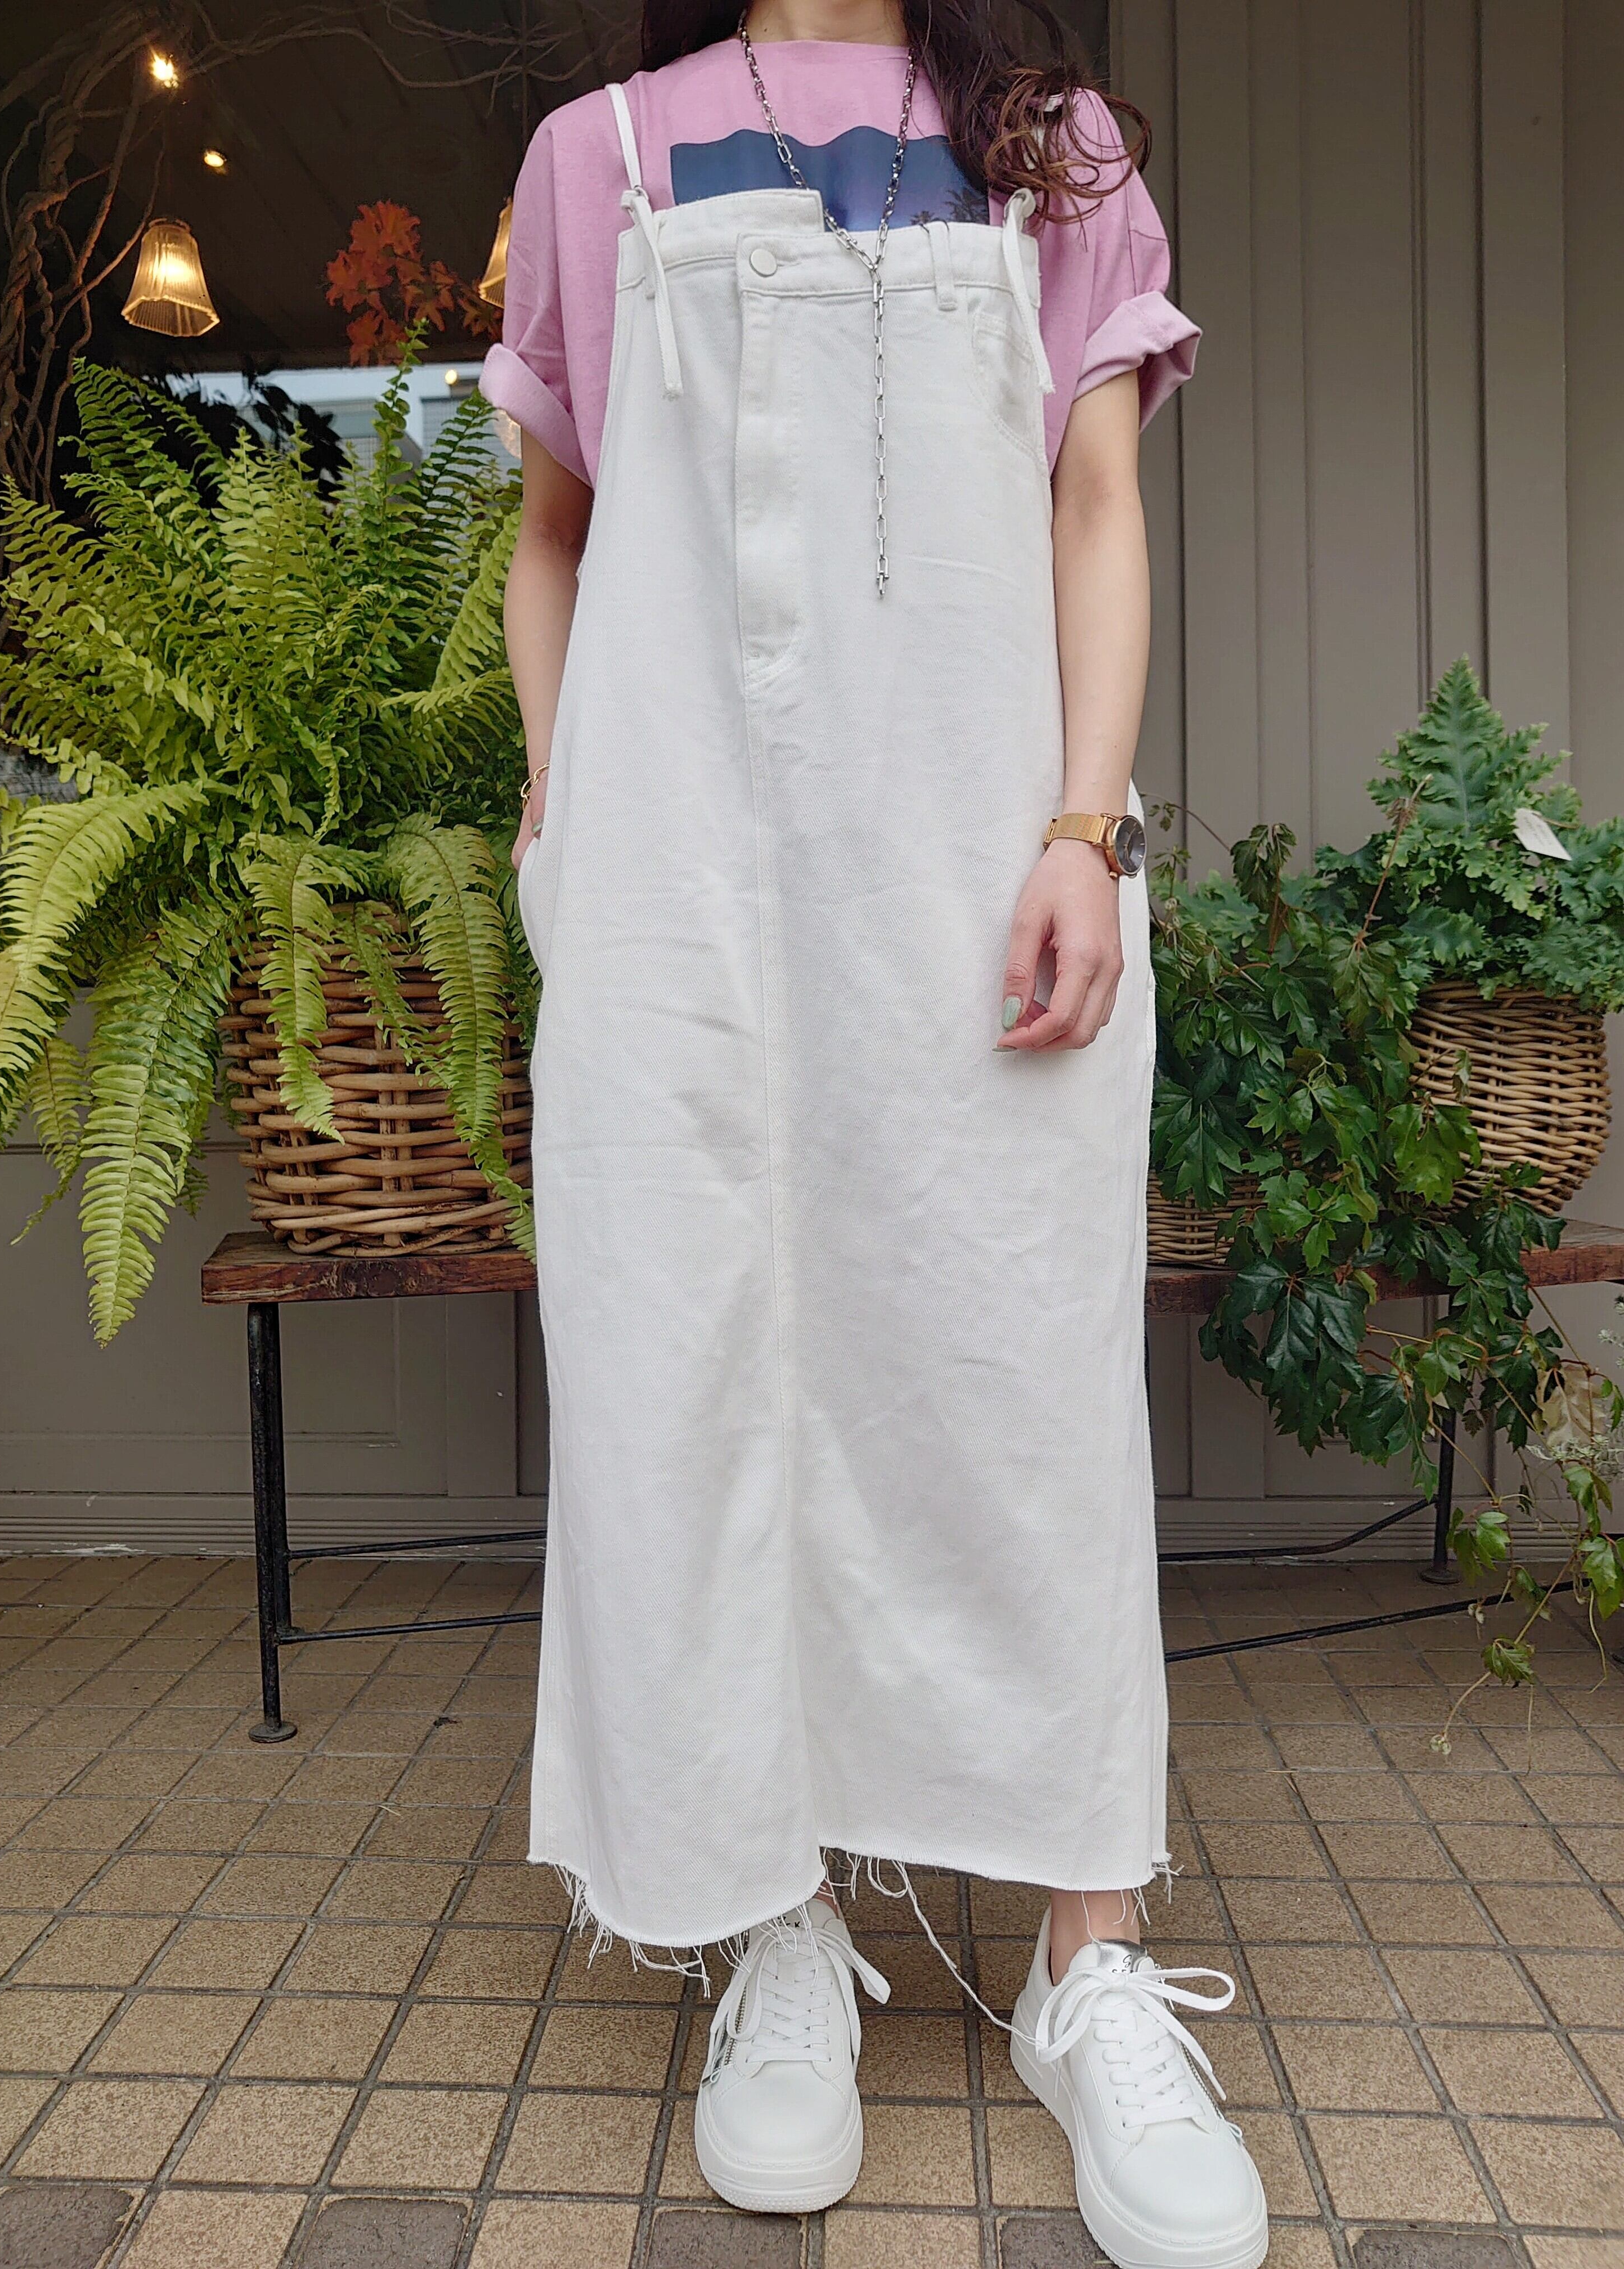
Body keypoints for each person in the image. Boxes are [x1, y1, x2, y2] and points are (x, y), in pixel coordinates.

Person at [488, 0, 1267, 2259]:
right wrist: (561, 816)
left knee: (1020, 1380)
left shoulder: (1051, 145)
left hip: (984, 881)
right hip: (683, 897)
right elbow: (555, 537)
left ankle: (1089, 1962)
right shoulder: (597, 153)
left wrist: (1085, 825)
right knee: (703, 1377)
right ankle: (778, 1929)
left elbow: (1096, 501)